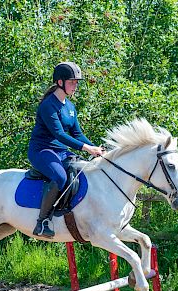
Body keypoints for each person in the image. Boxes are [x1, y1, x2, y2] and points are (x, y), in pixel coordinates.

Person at [28, 62, 104, 238]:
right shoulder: (48, 105)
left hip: (61, 152)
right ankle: (42, 221)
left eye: (77, 82)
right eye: (72, 82)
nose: (75, 86)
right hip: (42, 150)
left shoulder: (70, 107)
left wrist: (96, 149)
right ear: (60, 82)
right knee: (60, 177)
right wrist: (86, 148)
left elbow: (77, 133)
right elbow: (59, 134)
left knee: (80, 172)